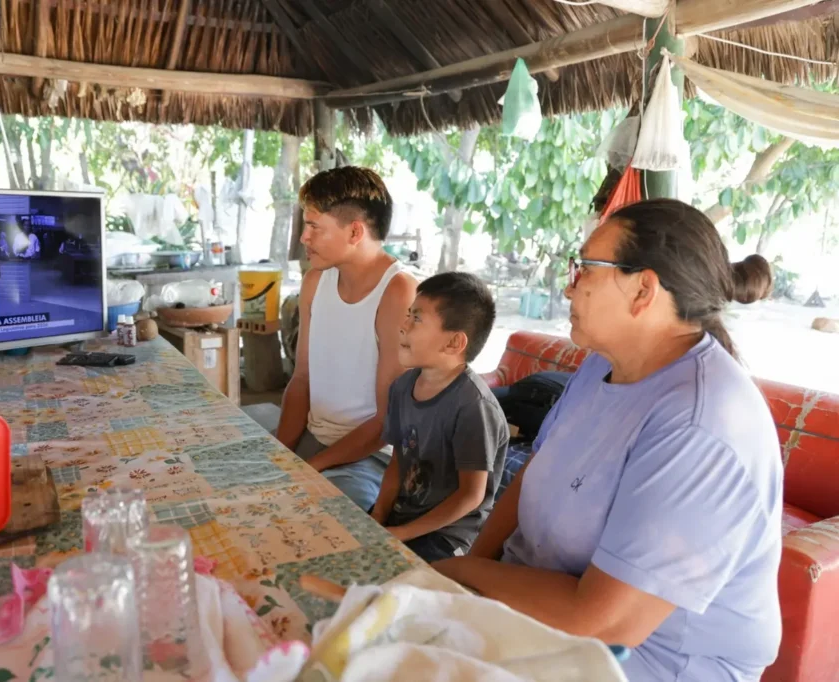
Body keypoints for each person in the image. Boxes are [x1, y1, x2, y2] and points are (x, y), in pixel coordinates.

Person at [435, 199, 783, 682]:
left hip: (646, 664)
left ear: (643, 290)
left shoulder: (699, 424)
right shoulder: (603, 364)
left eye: (584, 269)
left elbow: (601, 623)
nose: (569, 285)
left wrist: (456, 574)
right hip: (543, 619)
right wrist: (468, 574)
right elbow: (539, 468)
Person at [274, 167, 417, 511]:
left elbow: (388, 420)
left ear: (355, 231)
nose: (304, 238)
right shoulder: (315, 281)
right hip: (314, 440)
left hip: (370, 456)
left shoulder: (397, 291)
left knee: (321, 516)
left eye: (314, 227)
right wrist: (280, 455)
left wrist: (311, 468)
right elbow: (302, 379)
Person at [371, 272, 508, 562]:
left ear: (454, 343)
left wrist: (402, 534)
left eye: (417, 319)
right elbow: (398, 461)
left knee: (400, 578)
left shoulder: (473, 406)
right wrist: (378, 516)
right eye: (408, 315)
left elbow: (471, 496)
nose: (403, 326)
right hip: (403, 517)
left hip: (448, 535)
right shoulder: (402, 387)